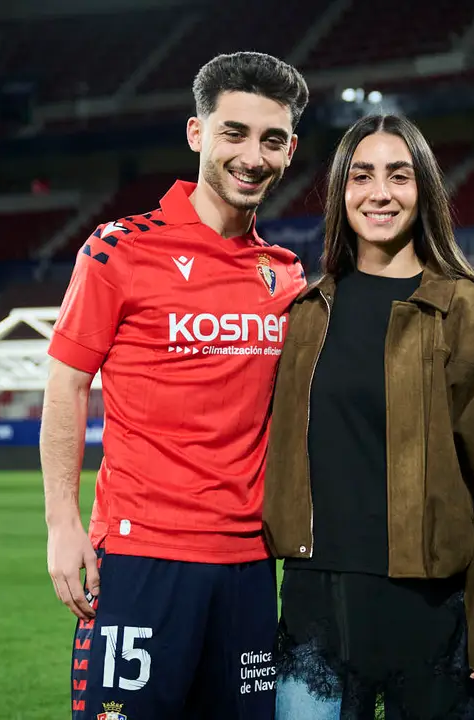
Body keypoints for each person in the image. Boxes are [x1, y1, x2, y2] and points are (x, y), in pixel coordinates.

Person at [40, 51, 310, 720]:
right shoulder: (117, 250)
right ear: (197, 134)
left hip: (250, 564)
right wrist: (61, 524)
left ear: (290, 150)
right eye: (234, 133)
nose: (252, 156)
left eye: (271, 140)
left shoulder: (286, 277)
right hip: (140, 555)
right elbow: (66, 386)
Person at [261, 113, 474, 719]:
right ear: (341, 191)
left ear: (425, 191)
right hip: (313, 609)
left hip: (432, 616)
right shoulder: (306, 313)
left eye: (398, 175)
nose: (379, 192)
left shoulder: (467, 310)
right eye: (361, 176)